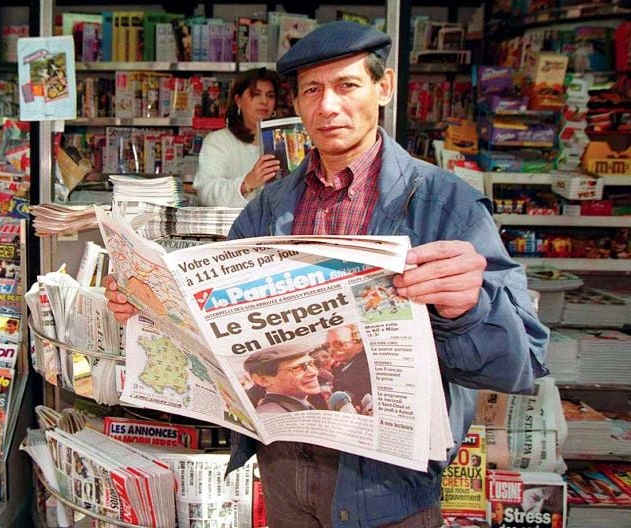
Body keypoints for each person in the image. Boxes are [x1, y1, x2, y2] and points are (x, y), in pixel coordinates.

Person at [105, 20, 549, 527]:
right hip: (286, 471)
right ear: (295, 105)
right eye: (312, 90)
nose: (328, 106)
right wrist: (152, 308)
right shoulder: (267, 208)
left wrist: (469, 308)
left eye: (347, 85)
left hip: (391, 486)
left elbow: (523, 362)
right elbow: (220, 336)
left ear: (383, 89)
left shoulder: (448, 205)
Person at [193, 68, 284, 207]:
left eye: (270, 95)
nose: (264, 101)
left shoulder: (283, 142)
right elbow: (206, 194)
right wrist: (247, 183)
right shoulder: (218, 142)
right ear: (238, 100)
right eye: (256, 94)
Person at [243, 344, 322, 414]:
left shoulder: (298, 405)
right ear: (263, 380)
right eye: (297, 368)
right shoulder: (271, 414)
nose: (313, 372)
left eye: (312, 363)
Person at [326, 324, 373, 414]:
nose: (331, 349)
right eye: (327, 345)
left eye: (338, 343)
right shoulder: (342, 368)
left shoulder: (365, 368)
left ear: (359, 344)